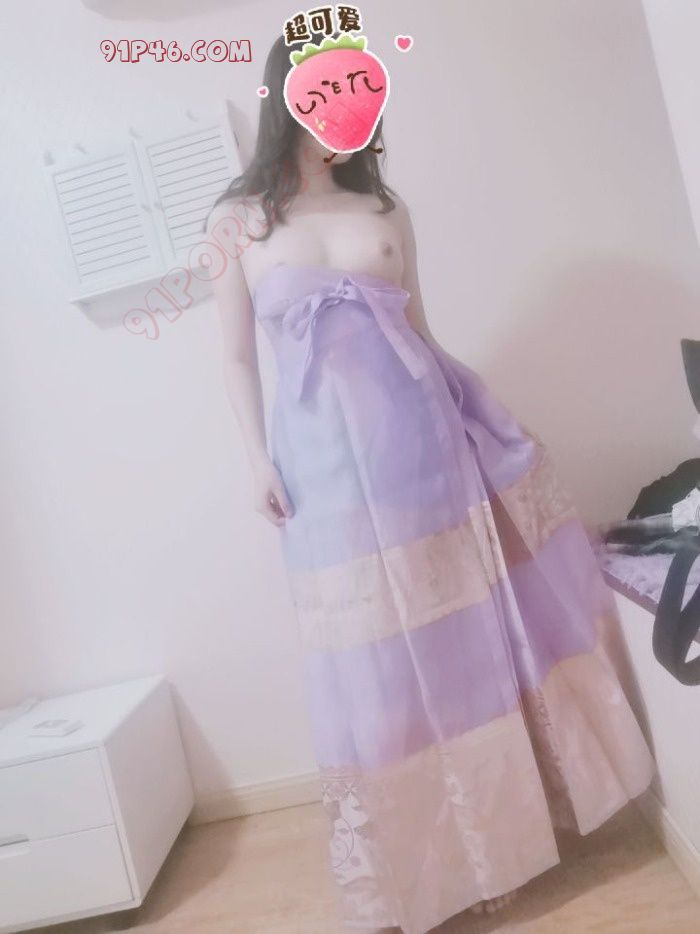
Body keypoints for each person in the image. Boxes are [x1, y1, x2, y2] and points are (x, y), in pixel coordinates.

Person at [205, 33, 656, 934]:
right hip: (325, 482)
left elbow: (425, 335)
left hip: (425, 452)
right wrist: (255, 459)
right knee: (374, 678)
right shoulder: (236, 224)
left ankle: (507, 849)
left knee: (464, 652)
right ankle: (422, 872)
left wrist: (488, 423)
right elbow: (235, 357)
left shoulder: (386, 206)